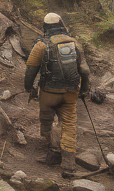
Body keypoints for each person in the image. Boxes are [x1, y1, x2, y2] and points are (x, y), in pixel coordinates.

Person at [24, 12, 90, 178]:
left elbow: (31, 70)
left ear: (46, 27)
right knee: (69, 124)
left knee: (47, 119)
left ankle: (53, 153)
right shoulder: (75, 43)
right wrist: (84, 89)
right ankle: (68, 165)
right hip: (71, 92)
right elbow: (84, 70)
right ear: (62, 24)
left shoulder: (41, 45)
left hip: (49, 92)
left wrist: (29, 88)